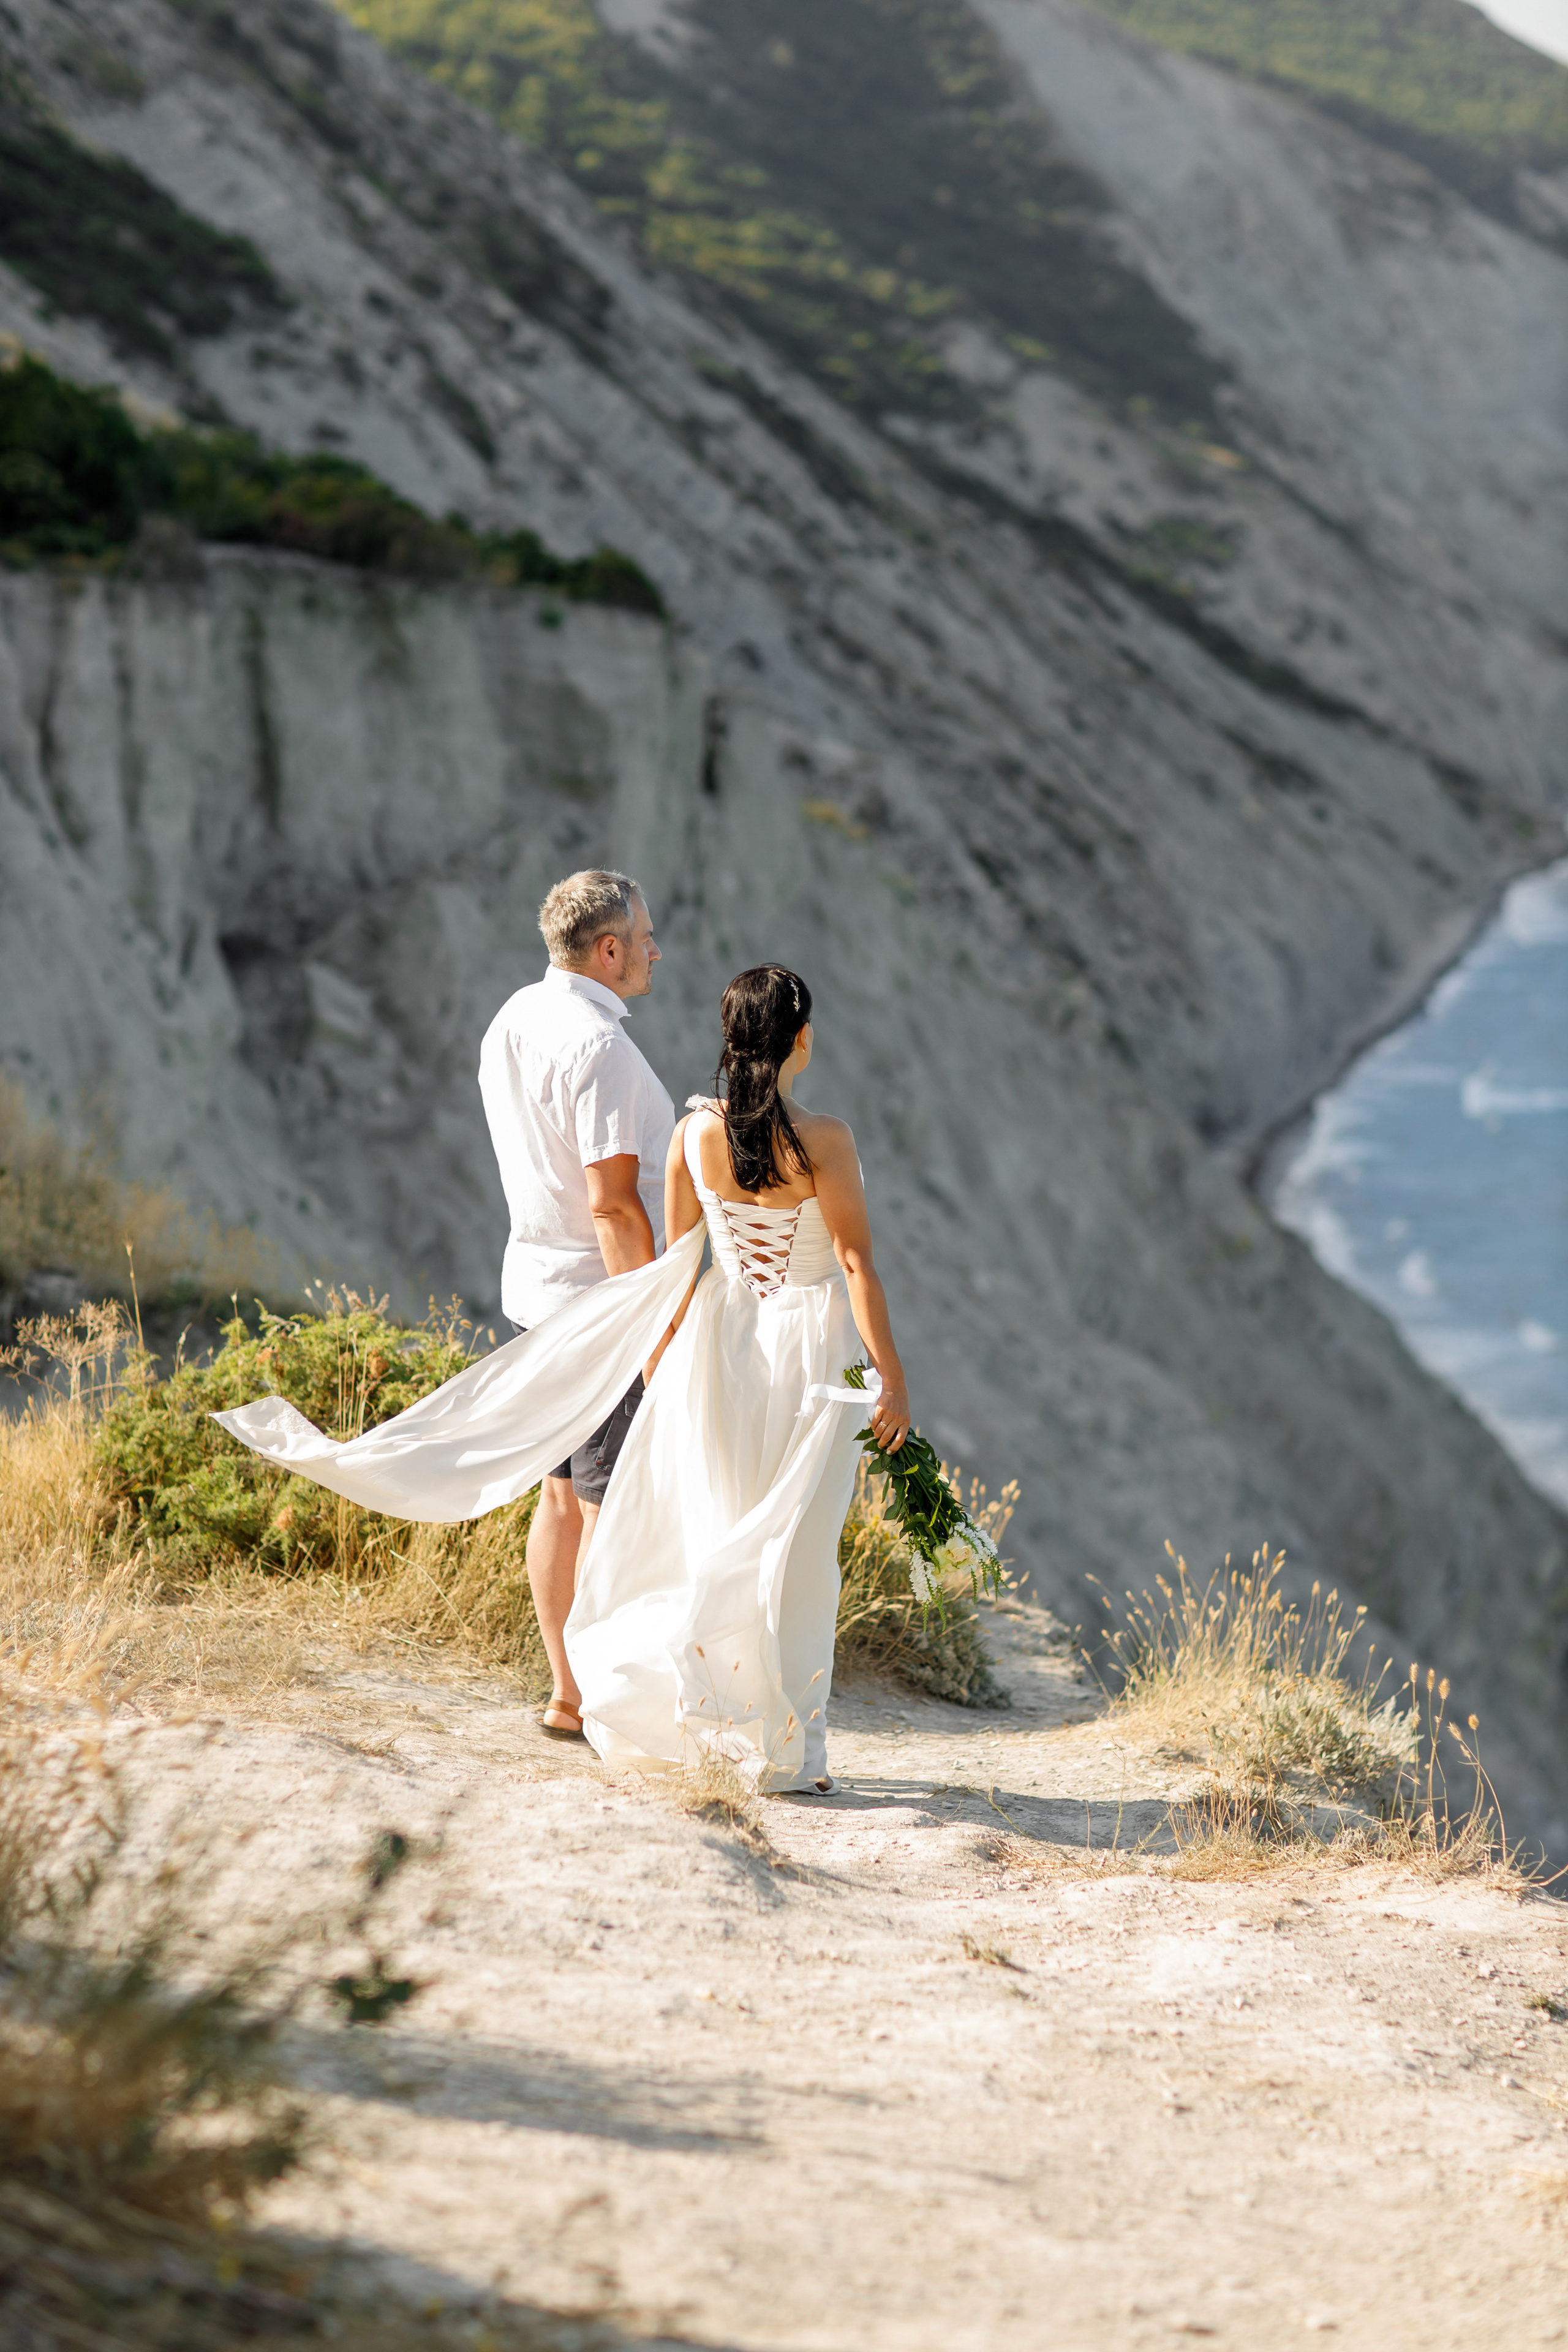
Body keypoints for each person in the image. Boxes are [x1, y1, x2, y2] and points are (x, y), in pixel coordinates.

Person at [213, 964, 910, 1795]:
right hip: (806, 1347)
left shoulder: (694, 1137)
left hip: (717, 1345)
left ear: (730, 1041)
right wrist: (891, 1378)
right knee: (797, 1547)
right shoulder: (826, 1139)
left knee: (718, 1532)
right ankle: (795, 1751)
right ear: (800, 1039)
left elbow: (676, 1267)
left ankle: (714, 1723)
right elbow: (856, 1263)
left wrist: (662, 1358)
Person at [477, 869, 674, 1740]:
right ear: (609, 949)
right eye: (645, 937)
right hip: (601, 1307)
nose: (655, 952)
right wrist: (657, 1321)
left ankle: (569, 1693)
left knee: (559, 1501)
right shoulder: (601, 1049)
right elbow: (613, 1204)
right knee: (608, 1508)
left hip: (532, 1291)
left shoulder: (514, 1015)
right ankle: (602, 1703)